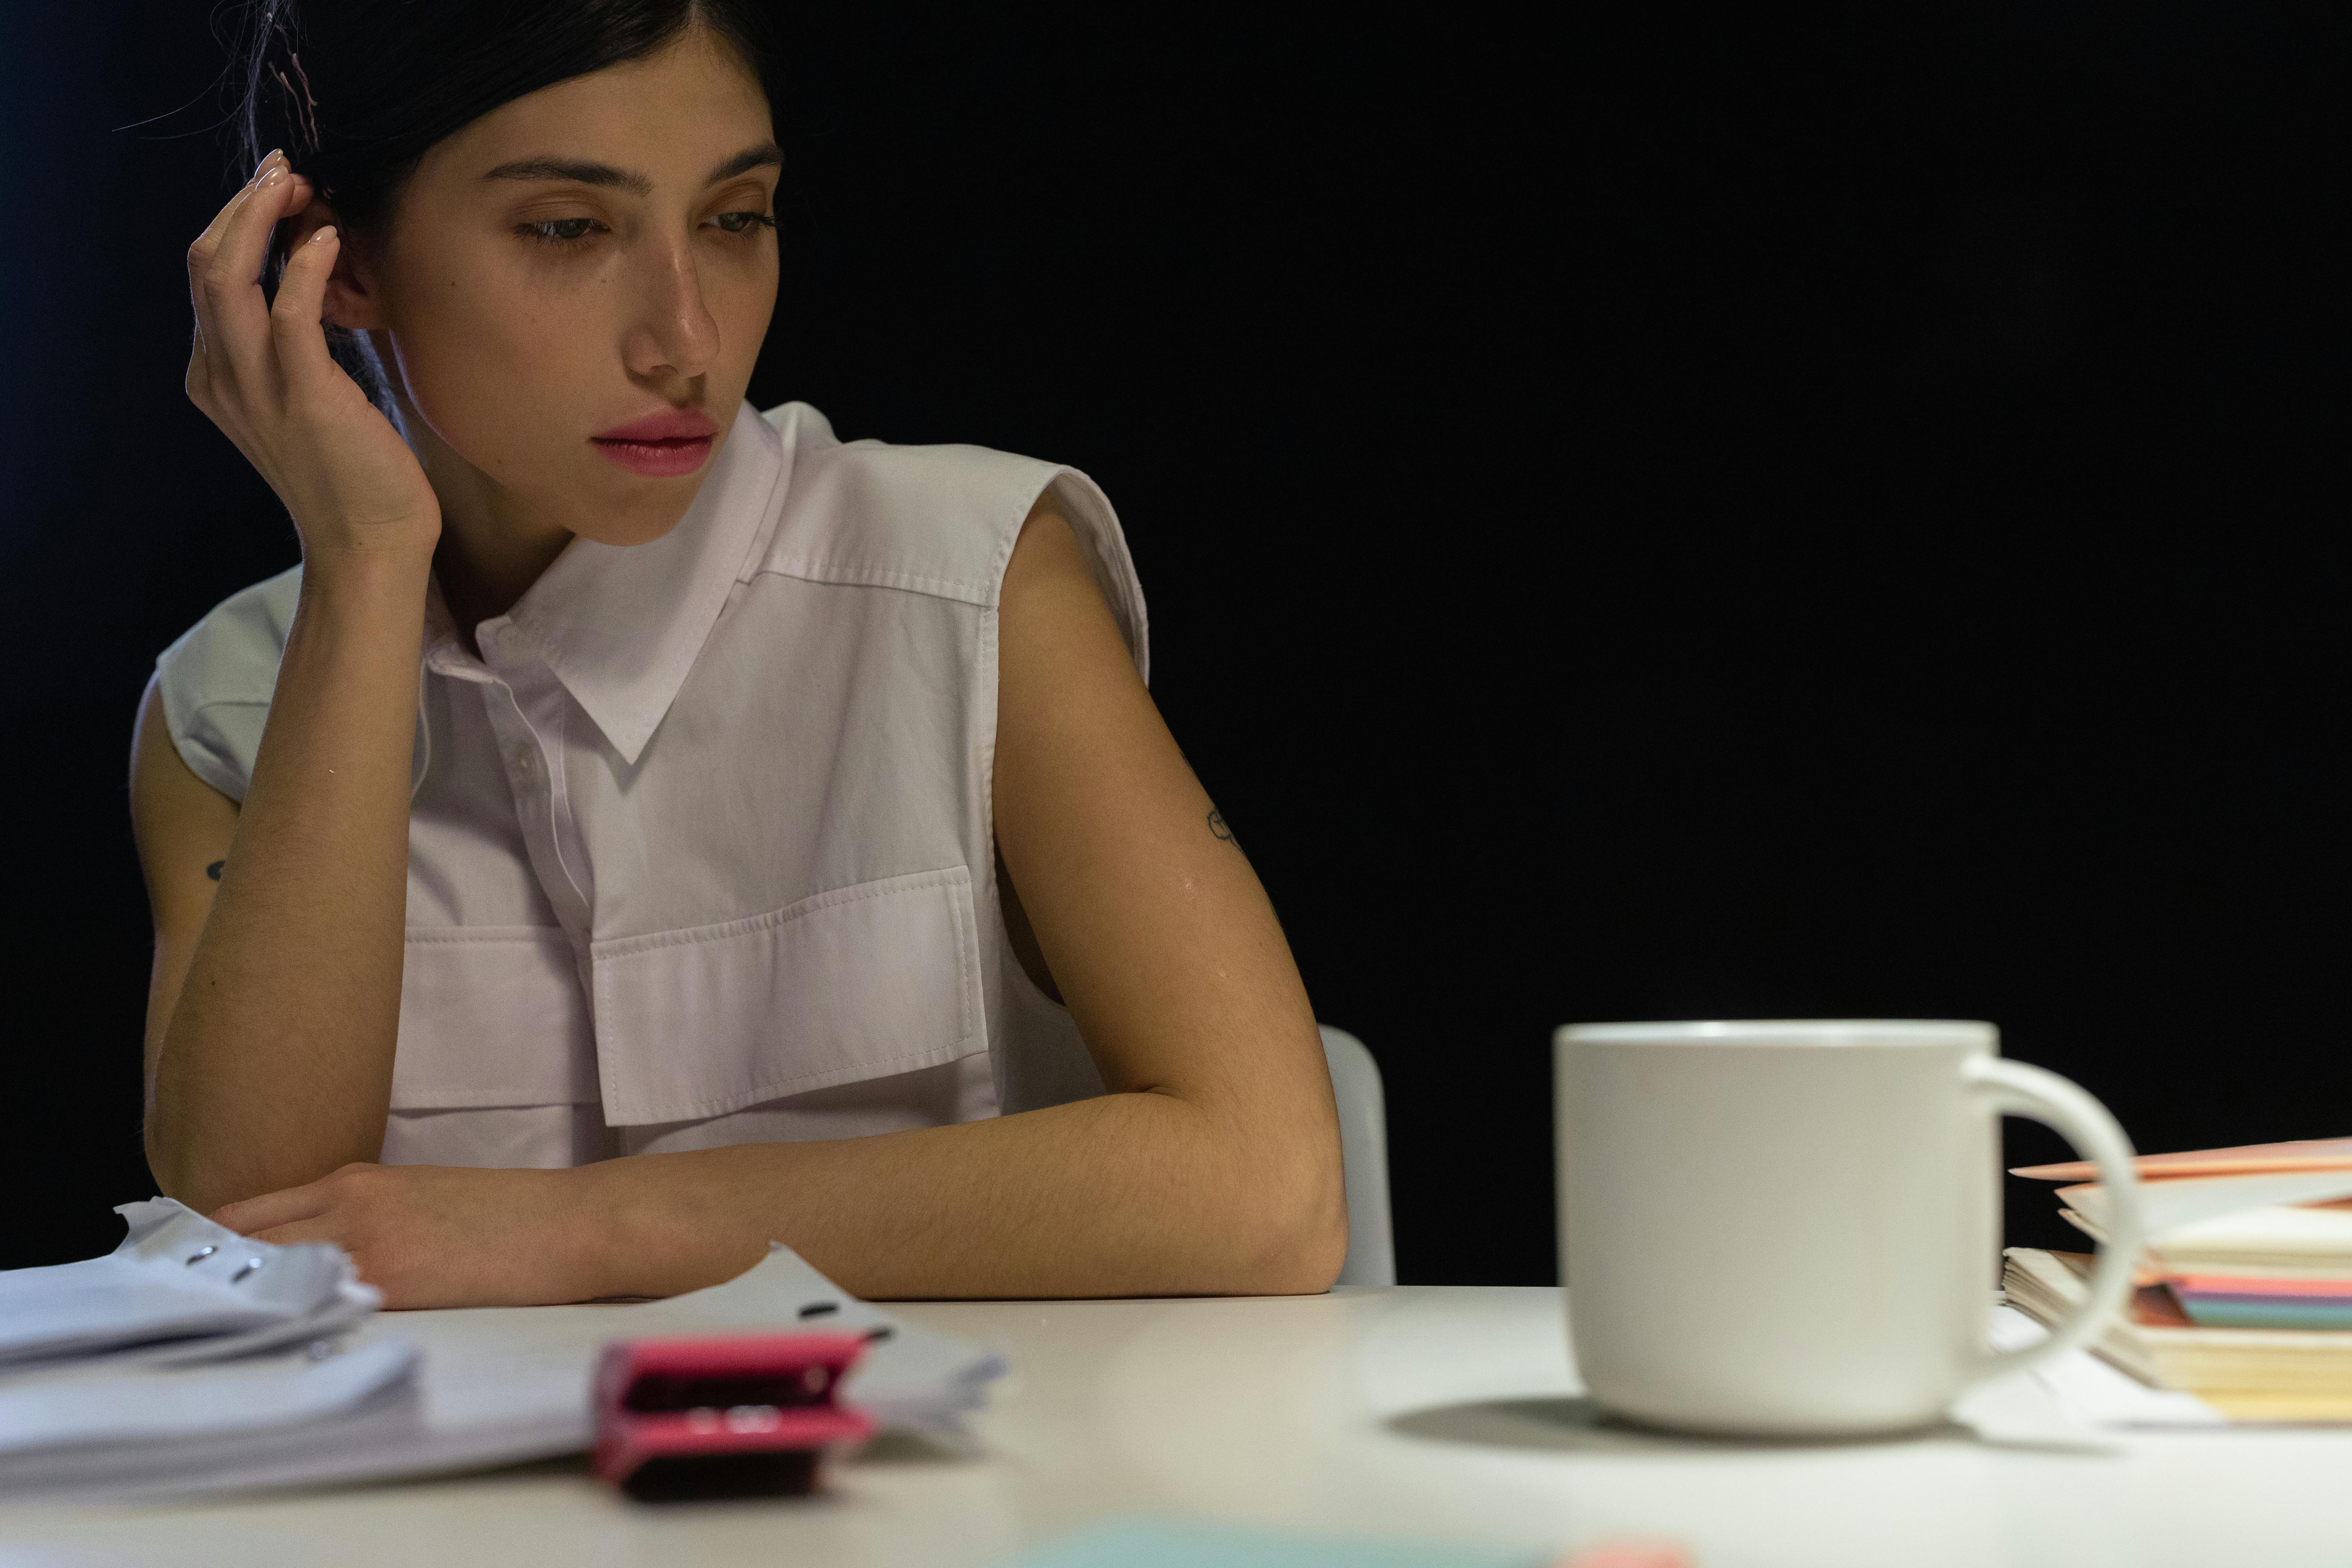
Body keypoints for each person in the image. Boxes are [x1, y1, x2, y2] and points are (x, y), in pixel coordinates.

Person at [130, 0, 1344, 1310]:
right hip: (446, 1516)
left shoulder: (965, 575)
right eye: (566, 229)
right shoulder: (226, 705)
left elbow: (1267, 1188)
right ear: (335, 260)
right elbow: (247, 1242)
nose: (686, 341)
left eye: (734, 219)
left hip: (960, 1500)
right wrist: (366, 566)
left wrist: (581, 1231)